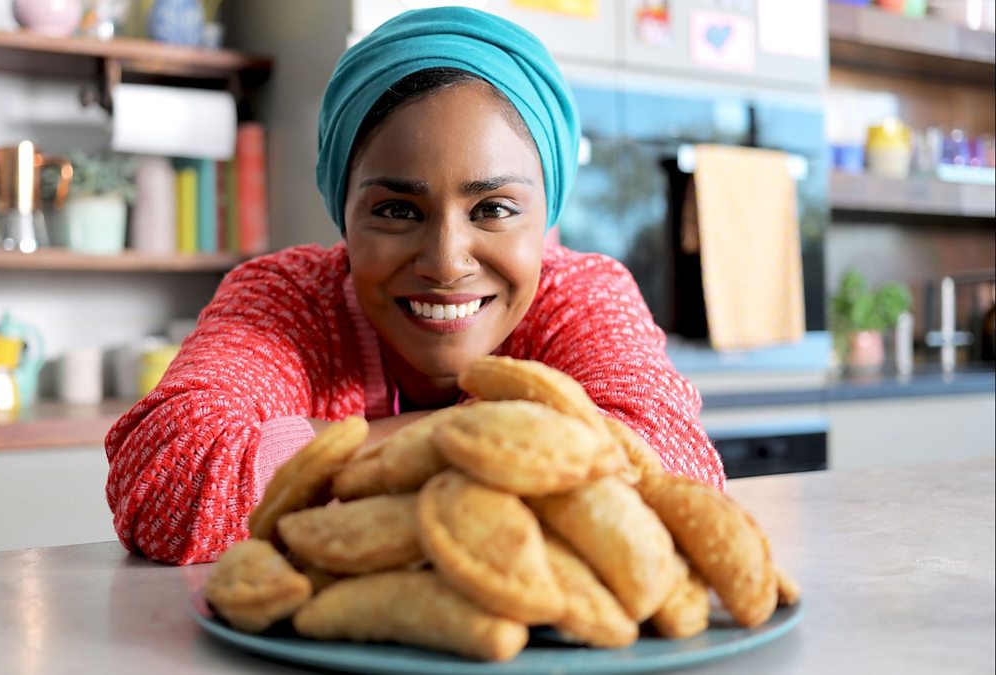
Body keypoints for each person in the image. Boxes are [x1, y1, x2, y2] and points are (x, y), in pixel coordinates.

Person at [105, 7, 725, 565]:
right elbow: (168, 481)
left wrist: (321, 463)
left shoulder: (580, 297)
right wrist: (502, 439)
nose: (447, 262)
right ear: (341, 210)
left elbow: (674, 475)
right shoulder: (287, 300)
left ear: (549, 216)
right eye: (398, 210)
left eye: (495, 208)